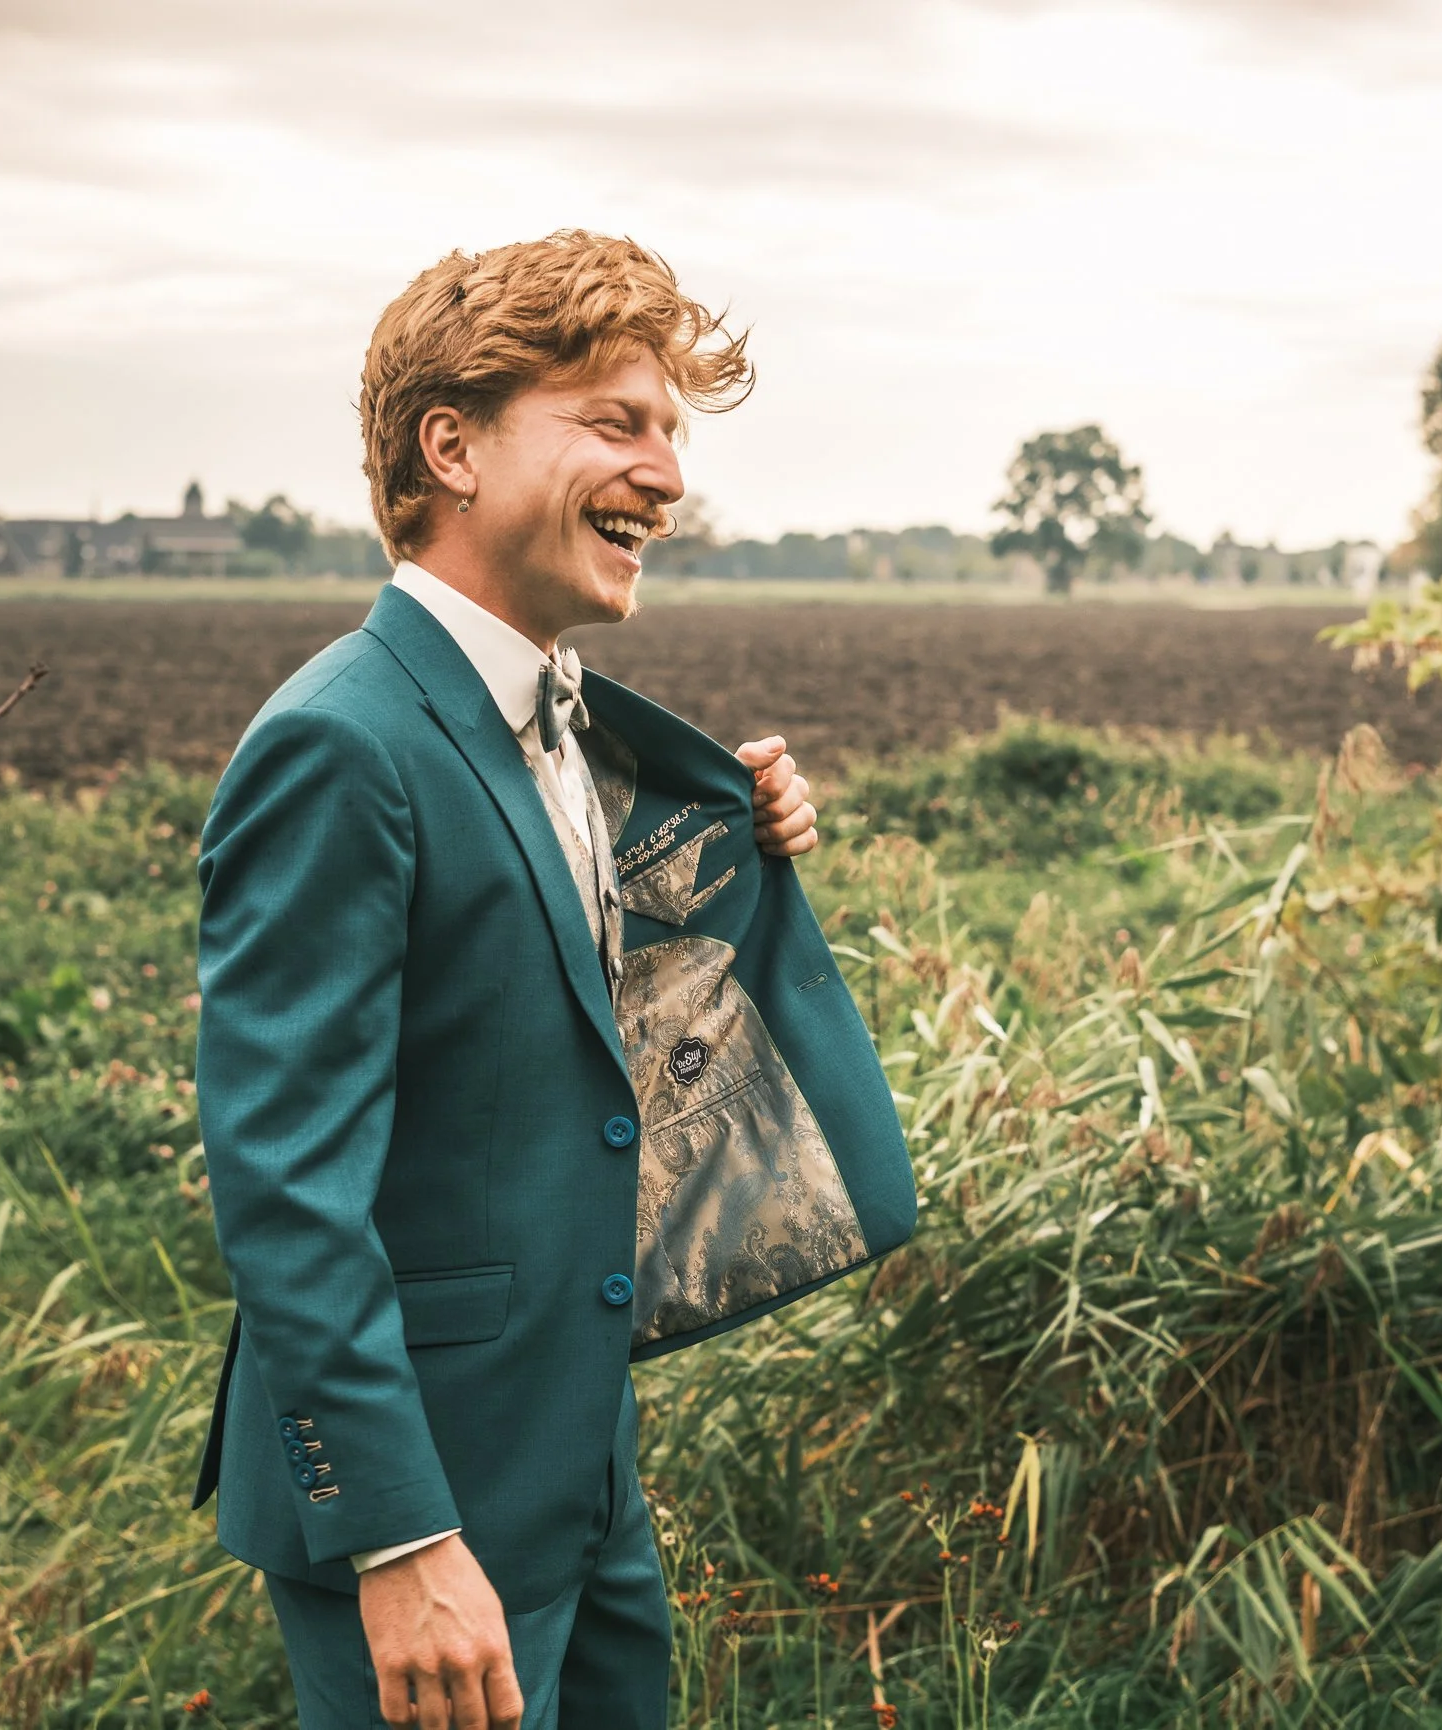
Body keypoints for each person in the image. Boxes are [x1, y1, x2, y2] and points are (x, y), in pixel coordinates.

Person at [190, 230, 915, 1729]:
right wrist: (399, 1535)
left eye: (671, 432)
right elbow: (283, 1182)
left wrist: (743, 827)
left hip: (579, 1467)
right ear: (449, 446)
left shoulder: (571, 727)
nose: (666, 472)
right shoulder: (341, 743)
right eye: (616, 420)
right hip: (423, 1509)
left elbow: (565, 1007)